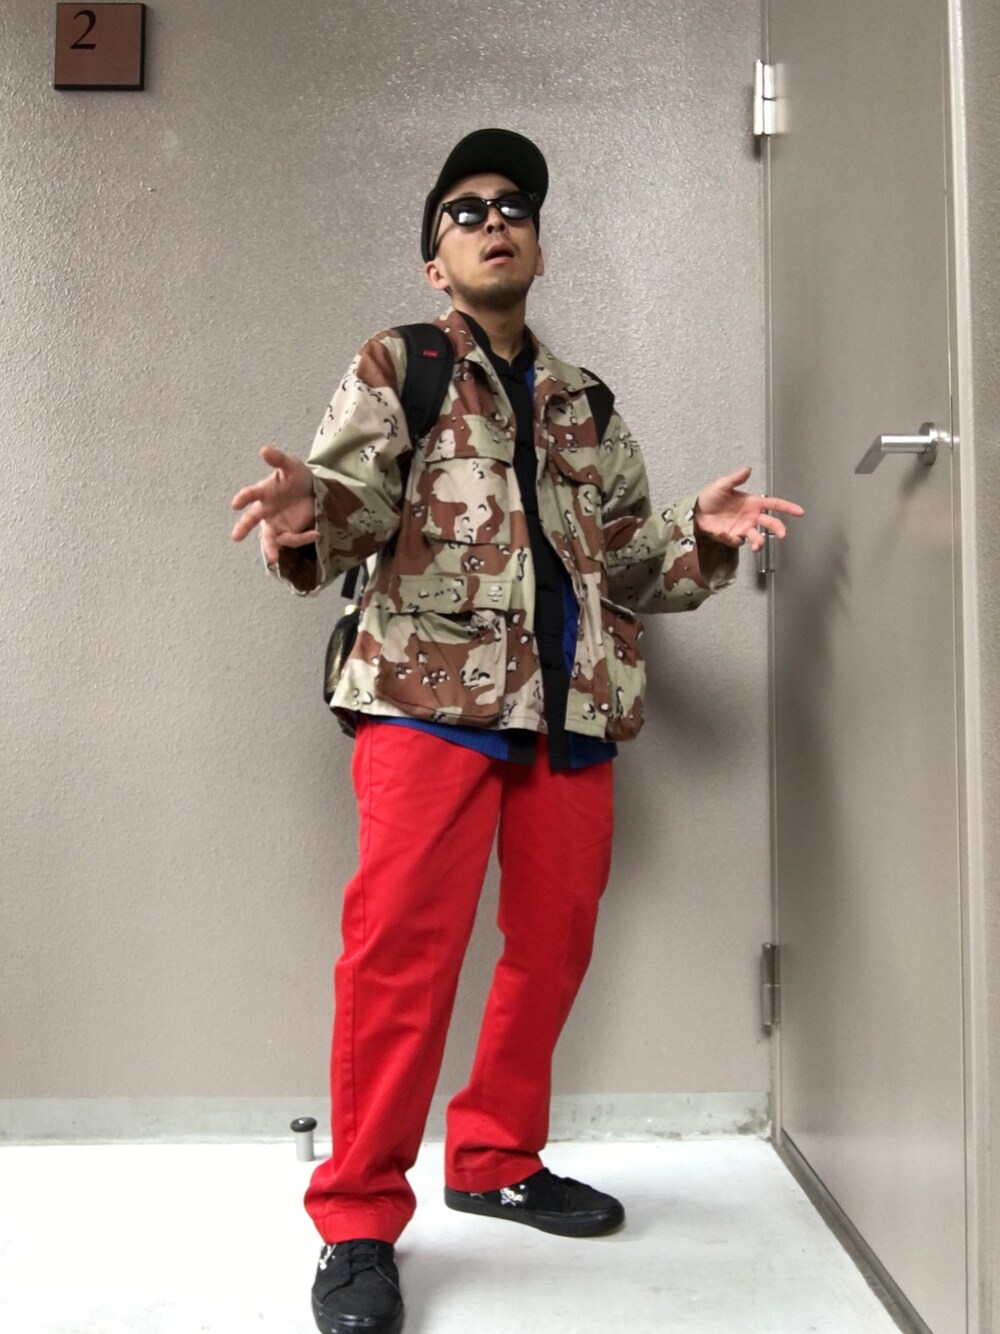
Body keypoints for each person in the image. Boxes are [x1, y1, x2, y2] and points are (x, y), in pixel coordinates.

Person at [231, 128, 803, 1334]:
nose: (494, 221)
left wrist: (697, 533)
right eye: (466, 209)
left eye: (515, 207)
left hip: (570, 706)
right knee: (400, 955)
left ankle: (493, 1155)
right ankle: (357, 1216)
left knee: (552, 943)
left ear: (537, 244)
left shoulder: (586, 403)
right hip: (425, 699)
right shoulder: (402, 363)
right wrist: (307, 510)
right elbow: (354, 496)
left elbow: (629, 562)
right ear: (434, 258)